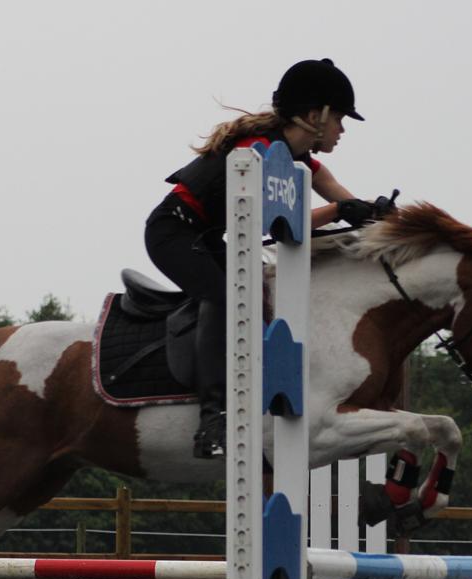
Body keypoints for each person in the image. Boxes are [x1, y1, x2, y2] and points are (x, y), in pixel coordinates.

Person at [146, 59, 392, 458]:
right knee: (228, 299)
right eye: (340, 120)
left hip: (205, 237)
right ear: (316, 116)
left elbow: (338, 195)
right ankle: (213, 418)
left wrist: (371, 210)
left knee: (259, 295)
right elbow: (274, 223)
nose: (343, 130)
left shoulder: (298, 159)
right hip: (173, 232)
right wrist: (339, 212)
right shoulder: (255, 151)